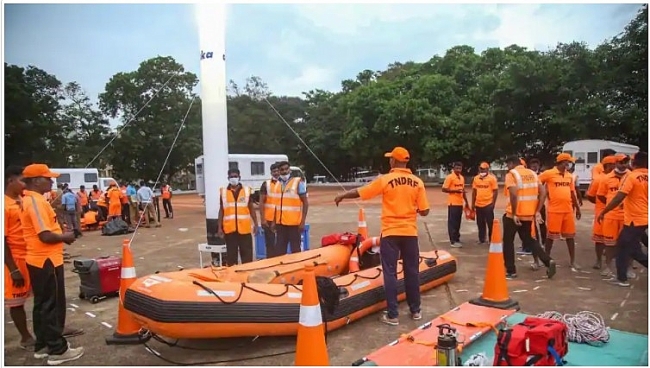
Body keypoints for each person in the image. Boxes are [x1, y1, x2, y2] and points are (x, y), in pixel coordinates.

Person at [335, 147, 429, 325]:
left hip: (391, 234)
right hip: (410, 233)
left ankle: (393, 315)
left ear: (394, 161)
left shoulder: (386, 179)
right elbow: (425, 211)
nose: (389, 161)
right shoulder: (417, 182)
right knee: (412, 272)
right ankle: (415, 310)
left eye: (390, 159)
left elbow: (362, 191)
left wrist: (342, 195)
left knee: (390, 273)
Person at [20, 164, 84, 364]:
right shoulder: (35, 202)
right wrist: (65, 237)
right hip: (45, 260)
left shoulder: (32, 200)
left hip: (42, 259)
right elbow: (45, 235)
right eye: (47, 178)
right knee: (52, 305)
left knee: (42, 305)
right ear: (35, 181)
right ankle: (58, 350)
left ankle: (43, 345)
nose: (51, 181)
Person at [597, 152, 648, 287]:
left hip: (634, 220)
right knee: (631, 248)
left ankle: (621, 278)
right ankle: (622, 276)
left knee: (623, 247)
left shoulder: (632, 176)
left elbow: (620, 196)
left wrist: (605, 211)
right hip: (643, 218)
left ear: (633, 163)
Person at [501, 156, 556, 280]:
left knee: (508, 242)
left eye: (507, 164)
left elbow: (514, 195)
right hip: (528, 214)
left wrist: (515, 213)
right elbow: (543, 193)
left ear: (511, 163)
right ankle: (548, 261)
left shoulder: (512, 174)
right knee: (529, 239)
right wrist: (537, 211)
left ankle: (511, 271)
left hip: (512, 215)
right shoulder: (532, 174)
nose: (507, 167)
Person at [5, 165, 36, 349]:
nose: (25, 184)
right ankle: (25, 337)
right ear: (10, 180)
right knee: (16, 301)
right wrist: (13, 269)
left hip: (32, 255)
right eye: (22, 181)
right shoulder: (4, 206)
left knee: (44, 295)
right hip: (15, 259)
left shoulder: (24, 200)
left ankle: (51, 328)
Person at [538, 153, 582, 271]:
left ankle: (573, 261)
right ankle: (545, 259)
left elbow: (572, 192)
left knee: (570, 237)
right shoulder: (549, 173)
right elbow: (537, 183)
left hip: (567, 210)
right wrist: (542, 194)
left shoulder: (569, 176)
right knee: (550, 237)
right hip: (554, 211)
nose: (569, 164)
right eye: (568, 162)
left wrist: (577, 208)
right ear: (562, 162)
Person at [596, 154, 631, 278]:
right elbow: (600, 195)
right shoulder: (606, 178)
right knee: (609, 244)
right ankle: (608, 267)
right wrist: (609, 206)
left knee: (628, 243)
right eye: (621, 162)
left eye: (626, 162)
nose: (623, 165)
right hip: (611, 216)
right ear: (615, 163)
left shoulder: (631, 177)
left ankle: (628, 268)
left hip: (627, 216)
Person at [218, 169, 259, 265]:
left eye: (235, 176)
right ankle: (233, 277)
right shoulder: (224, 192)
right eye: (231, 176)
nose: (233, 178)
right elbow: (221, 210)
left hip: (244, 230)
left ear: (239, 177)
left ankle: (246, 274)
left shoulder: (246, 191)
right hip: (230, 230)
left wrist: (256, 224)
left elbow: (251, 209)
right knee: (231, 257)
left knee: (247, 256)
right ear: (228, 178)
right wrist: (219, 227)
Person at [271, 161, 308, 256]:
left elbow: (305, 203)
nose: (284, 171)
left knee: (295, 249)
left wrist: (302, 221)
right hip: (281, 224)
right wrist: (274, 221)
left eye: (286, 169)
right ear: (279, 171)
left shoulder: (298, 182)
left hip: (294, 224)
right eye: (282, 170)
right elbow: (276, 206)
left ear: (290, 170)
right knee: (279, 250)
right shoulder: (277, 185)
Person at [586, 155, 616, 270]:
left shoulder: (620, 177)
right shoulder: (598, 179)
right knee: (599, 239)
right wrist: (601, 204)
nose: (615, 166)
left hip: (616, 213)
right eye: (613, 164)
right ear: (608, 165)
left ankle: (610, 262)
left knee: (613, 239)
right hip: (601, 213)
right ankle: (598, 261)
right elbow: (590, 196)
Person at [471, 162, 498, 245]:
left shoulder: (492, 179)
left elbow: (495, 191)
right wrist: (473, 203)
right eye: (481, 168)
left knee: (490, 223)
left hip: (488, 204)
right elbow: (474, 191)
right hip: (478, 204)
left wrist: (493, 203)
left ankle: (491, 239)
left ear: (487, 169)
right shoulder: (476, 178)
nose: (482, 170)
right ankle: (481, 239)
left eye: (484, 169)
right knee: (480, 223)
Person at [442, 162, 468, 248]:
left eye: (460, 168)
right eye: (456, 168)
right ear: (453, 168)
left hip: (460, 203)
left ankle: (457, 238)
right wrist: (455, 191)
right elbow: (444, 189)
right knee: (452, 222)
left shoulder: (461, 178)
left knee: (458, 222)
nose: (458, 170)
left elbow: (463, 190)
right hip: (452, 203)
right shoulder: (450, 177)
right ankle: (452, 240)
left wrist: (466, 202)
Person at [259, 163, 280, 257]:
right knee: (270, 244)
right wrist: (262, 219)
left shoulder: (285, 184)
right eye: (274, 171)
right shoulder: (266, 184)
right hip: (268, 219)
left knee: (281, 244)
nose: (276, 173)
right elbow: (261, 202)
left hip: (281, 219)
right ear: (271, 172)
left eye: (277, 171)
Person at [526, 158, 546, 252]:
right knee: (532, 225)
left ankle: (544, 242)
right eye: (533, 165)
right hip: (531, 203)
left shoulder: (542, 175)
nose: (535, 167)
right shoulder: (528, 176)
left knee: (542, 223)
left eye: (536, 165)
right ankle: (535, 243)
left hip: (540, 202)